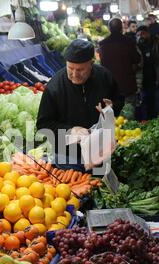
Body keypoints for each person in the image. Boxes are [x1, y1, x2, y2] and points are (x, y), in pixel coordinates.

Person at [36, 39, 124, 172]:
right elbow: (43, 124)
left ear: (91, 64)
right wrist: (71, 130)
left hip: (100, 151)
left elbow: (119, 100)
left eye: (80, 69)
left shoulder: (105, 77)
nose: (75, 74)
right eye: (70, 68)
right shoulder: (55, 86)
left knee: (100, 188)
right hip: (67, 157)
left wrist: (112, 108)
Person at [99, 18, 141, 109]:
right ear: (121, 28)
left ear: (109, 29)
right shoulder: (129, 41)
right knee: (129, 114)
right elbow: (137, 59)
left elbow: (102, 64)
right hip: (127, 85)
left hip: (110, 86)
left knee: (113, 116)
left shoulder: (103, 44)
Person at [136, 25, 159, 119]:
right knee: (145, 103)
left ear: (148, 33)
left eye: (143, 34)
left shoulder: (156, 44)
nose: (140, 36)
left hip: (155, 80)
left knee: (155, 103)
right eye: (138, 35)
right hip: (144, 81)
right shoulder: (138, 47)